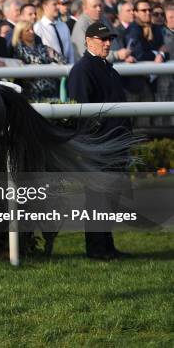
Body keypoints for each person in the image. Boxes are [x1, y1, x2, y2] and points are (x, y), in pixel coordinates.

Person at [67, 22, 131, 260]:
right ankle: (96, 249)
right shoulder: (83, 70)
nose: (107, 43)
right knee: (98, 198)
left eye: (109, 39)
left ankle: (106, 246)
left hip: (114, 141)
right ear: (88, 41)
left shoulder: (106, 68)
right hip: (99, 145)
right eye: (102, 39)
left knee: (109, 197)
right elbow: (81, 113)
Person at [12, 20, 65, 101]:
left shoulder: (43, 47)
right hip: (32, 92)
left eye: (32, 29)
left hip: (52, 89)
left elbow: (62, 60)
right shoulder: (17, 50)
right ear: (20, 34)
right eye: (27, 30)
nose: (32, 32)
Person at [33, 0, 74, 64]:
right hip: (50, 71)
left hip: (67, 68)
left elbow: (70, 50)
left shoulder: (63, 25)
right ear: (44, 6)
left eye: (58, 4)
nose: (58, 7)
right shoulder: (38, 27)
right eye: (54, 4)